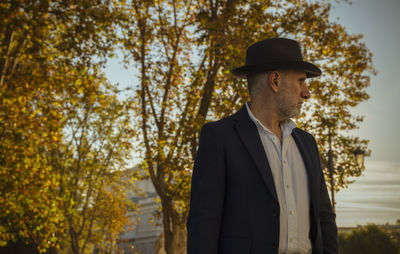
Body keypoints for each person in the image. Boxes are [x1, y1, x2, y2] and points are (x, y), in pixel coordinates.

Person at [186, 38, 338, 254]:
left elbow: (325, 219)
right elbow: (204, 224)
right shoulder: (219, 137)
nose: (307, 92)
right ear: (275, 81)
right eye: (301, 81)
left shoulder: (307, 143)